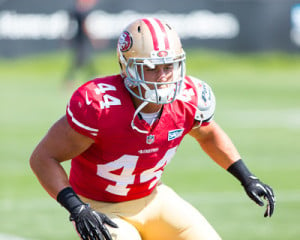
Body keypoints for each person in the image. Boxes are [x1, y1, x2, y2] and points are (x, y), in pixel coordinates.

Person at [30, 18, 275, 240]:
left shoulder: (188, 99)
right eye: (151, 67)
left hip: (154, 199)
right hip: (100, 207)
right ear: (127, 67)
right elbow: (43, 158)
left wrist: (246, 176)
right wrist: (78, 208)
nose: (163, 77)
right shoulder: (99, 106)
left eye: (169, 66)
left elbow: (208, 133)